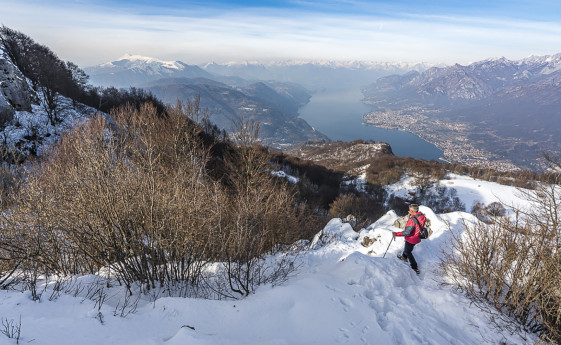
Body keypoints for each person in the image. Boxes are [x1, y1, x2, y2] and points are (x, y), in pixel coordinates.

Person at [392, 204, 426, 274]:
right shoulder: (422, 216)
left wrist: (396, 234)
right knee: (408, 248)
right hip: (417, 237)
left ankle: (414, 267)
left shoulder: (412, 220)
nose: (408, 211)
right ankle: (404, 257)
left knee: (408, 252)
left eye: (410, 210)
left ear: (413, 211)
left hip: (411, 238)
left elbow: (407, 232)